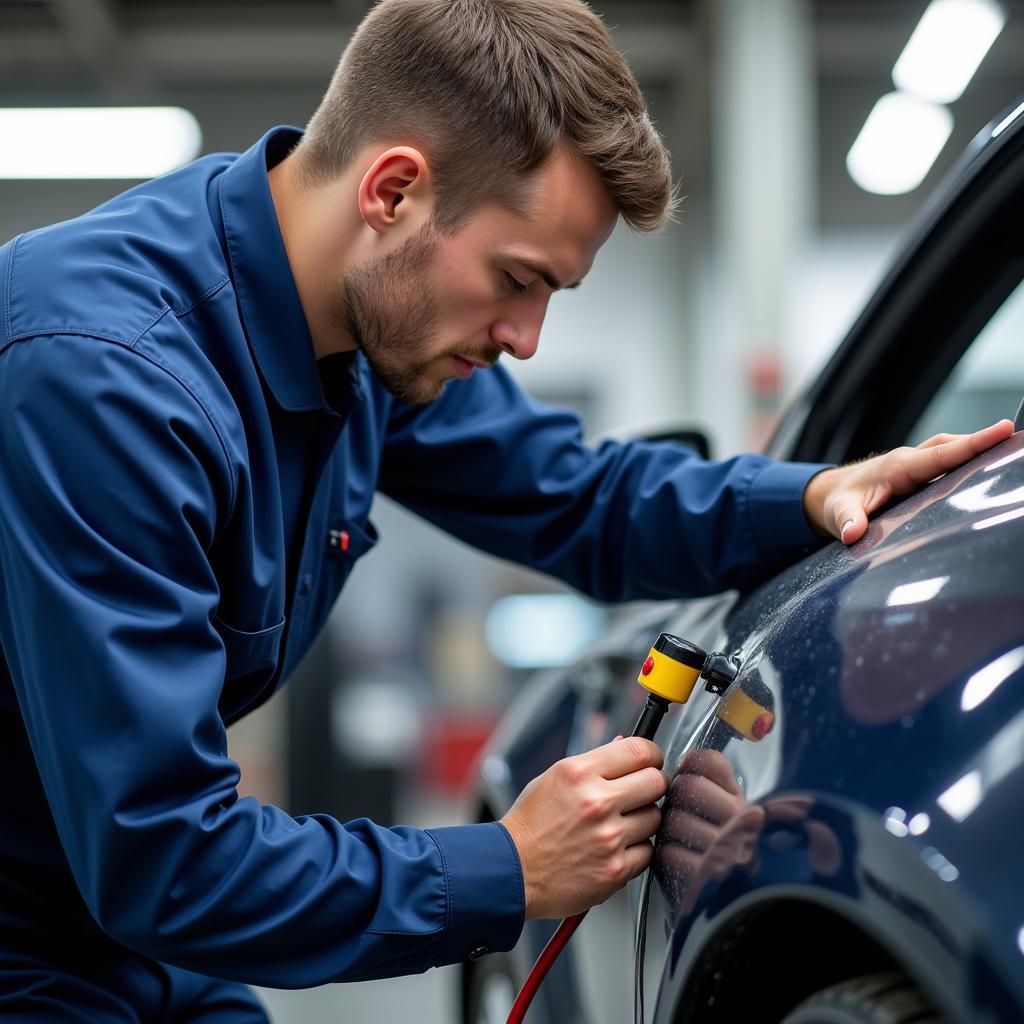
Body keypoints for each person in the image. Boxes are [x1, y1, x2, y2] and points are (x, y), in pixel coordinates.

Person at [0, 0, 1012, 1018]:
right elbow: (161, 856)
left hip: (132, 918)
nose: (525, 340)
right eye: (516, 281)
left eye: (552, 297)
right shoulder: (104, 383)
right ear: (392, 190)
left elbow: (578, 495)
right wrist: (510, 866)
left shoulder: (361, 332)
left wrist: (809, 494)